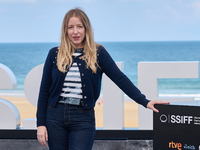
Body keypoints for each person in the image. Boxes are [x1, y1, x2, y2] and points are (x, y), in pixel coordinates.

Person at [36, 8, 169, 150]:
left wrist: (145, 101)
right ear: (65, 31)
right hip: (55, 117)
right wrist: (41, 124)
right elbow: (44, 91)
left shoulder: (98, 53)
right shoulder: (54, 54)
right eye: (71, 27)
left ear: (86, 29)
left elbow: (120, 79)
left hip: (83, 118)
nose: (75, 32)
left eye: (79, 27)